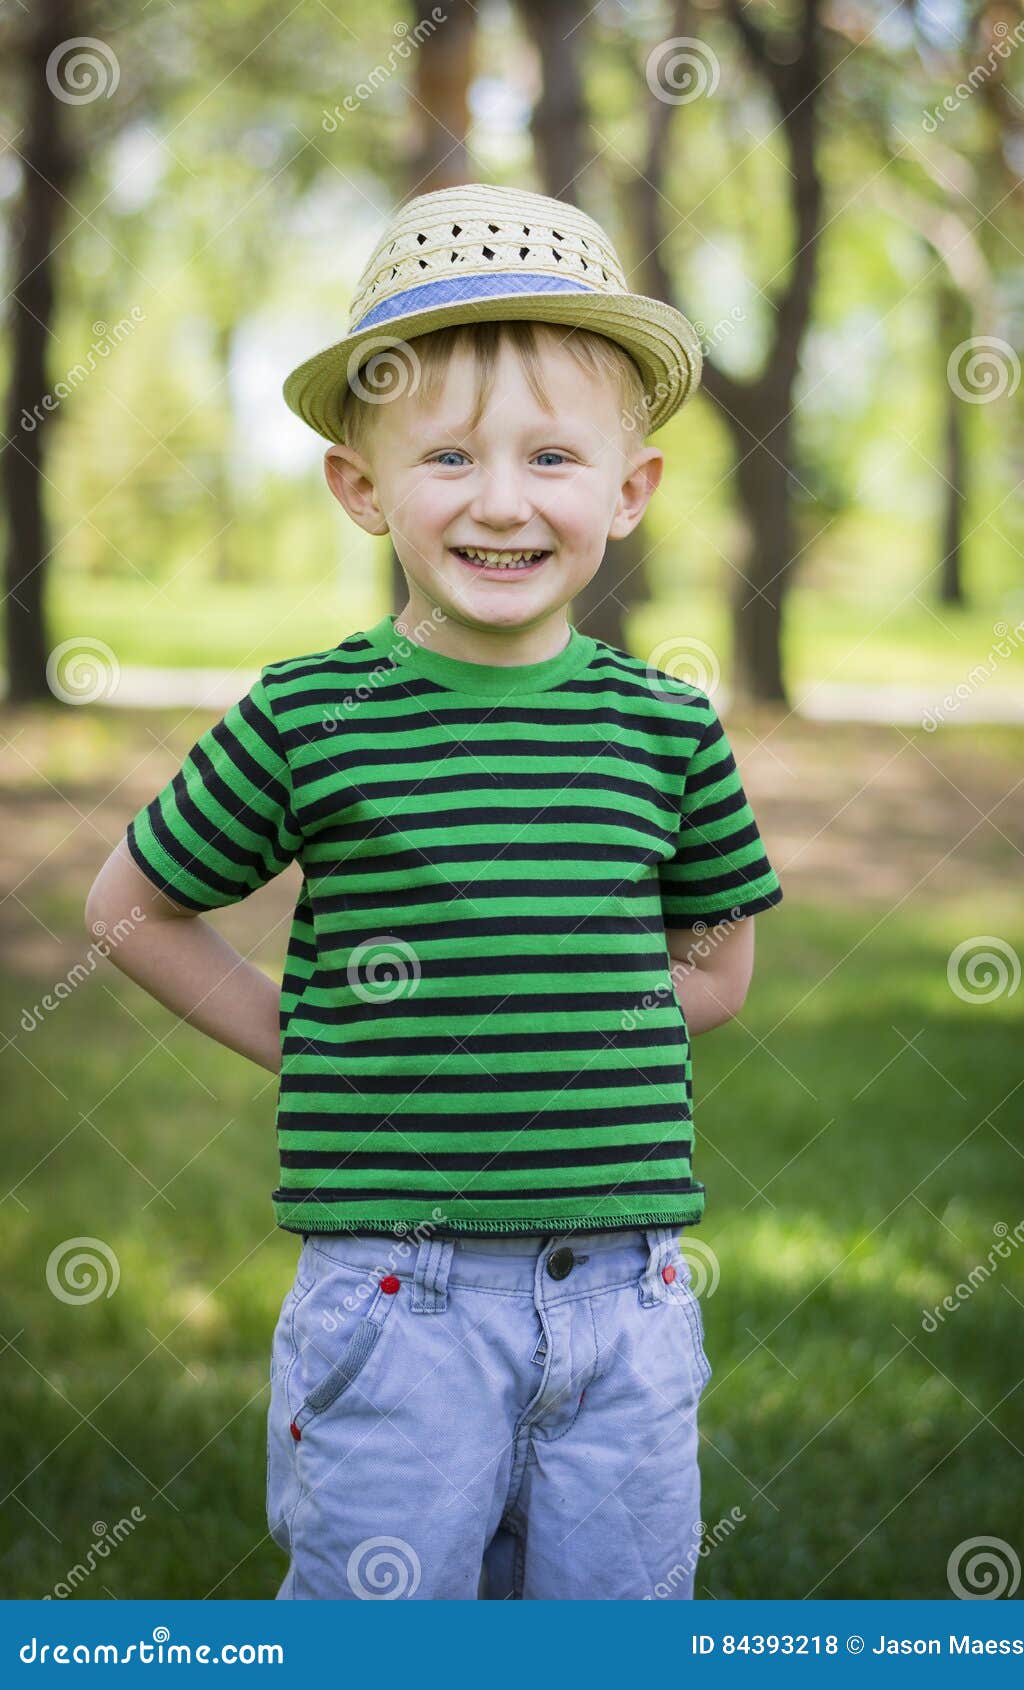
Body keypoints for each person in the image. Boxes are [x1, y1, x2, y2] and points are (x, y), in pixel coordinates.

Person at [85, 182, 784, 1600]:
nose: (505, 500)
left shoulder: (667, 728)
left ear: (628, 489)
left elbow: (716, 964)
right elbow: (130, 909)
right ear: (363, 486)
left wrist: (585, 1018)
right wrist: (313, 1034)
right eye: (449, 456)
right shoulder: (311, 716)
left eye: (552, 456)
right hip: (396, 1304)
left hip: (630, 1301)